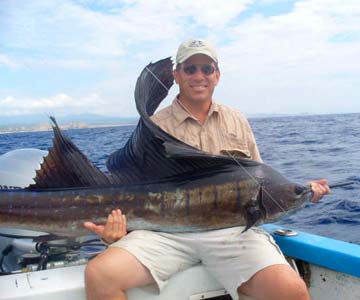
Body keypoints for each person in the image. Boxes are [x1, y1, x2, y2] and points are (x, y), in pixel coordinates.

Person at [84, 38, 330, 300]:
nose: (198, 76)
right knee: (100, 275)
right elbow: (134, 191)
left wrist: (303, 192)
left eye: (206, 68)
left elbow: (261, 181)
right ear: (176, 75)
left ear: (217, 75)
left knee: (292, 291)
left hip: (233, 233)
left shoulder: (236, 119)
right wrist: (113, 234)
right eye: (190, 69)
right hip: (164, 236)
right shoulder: (156, 125)